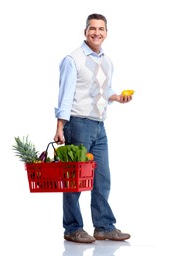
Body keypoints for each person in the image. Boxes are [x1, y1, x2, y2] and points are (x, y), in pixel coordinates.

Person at [54, 13, 132, 243]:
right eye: (92, 28)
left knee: (102, 178)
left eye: (101, 29)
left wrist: (117, 97)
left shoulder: (107, 61)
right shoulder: (73, 59)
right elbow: (65, 96)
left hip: (99, 125)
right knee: (75, 180)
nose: (97, 32)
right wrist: (60, 126)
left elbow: (104, 92)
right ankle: (72, 228)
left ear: (106, 32)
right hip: (78, 124)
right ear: (85, 31)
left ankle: (104, 226)